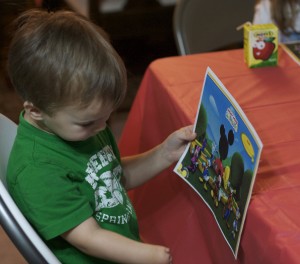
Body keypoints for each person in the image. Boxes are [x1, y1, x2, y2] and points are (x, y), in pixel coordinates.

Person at [6, 9, 196, 264]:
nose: (102, 127)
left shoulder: (79, 127)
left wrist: (165, 153)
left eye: (107, 116)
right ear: (36, 110)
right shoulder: (37, 170)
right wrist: (148, 255)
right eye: (88, 122)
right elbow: (88, 237)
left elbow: (114, 176)